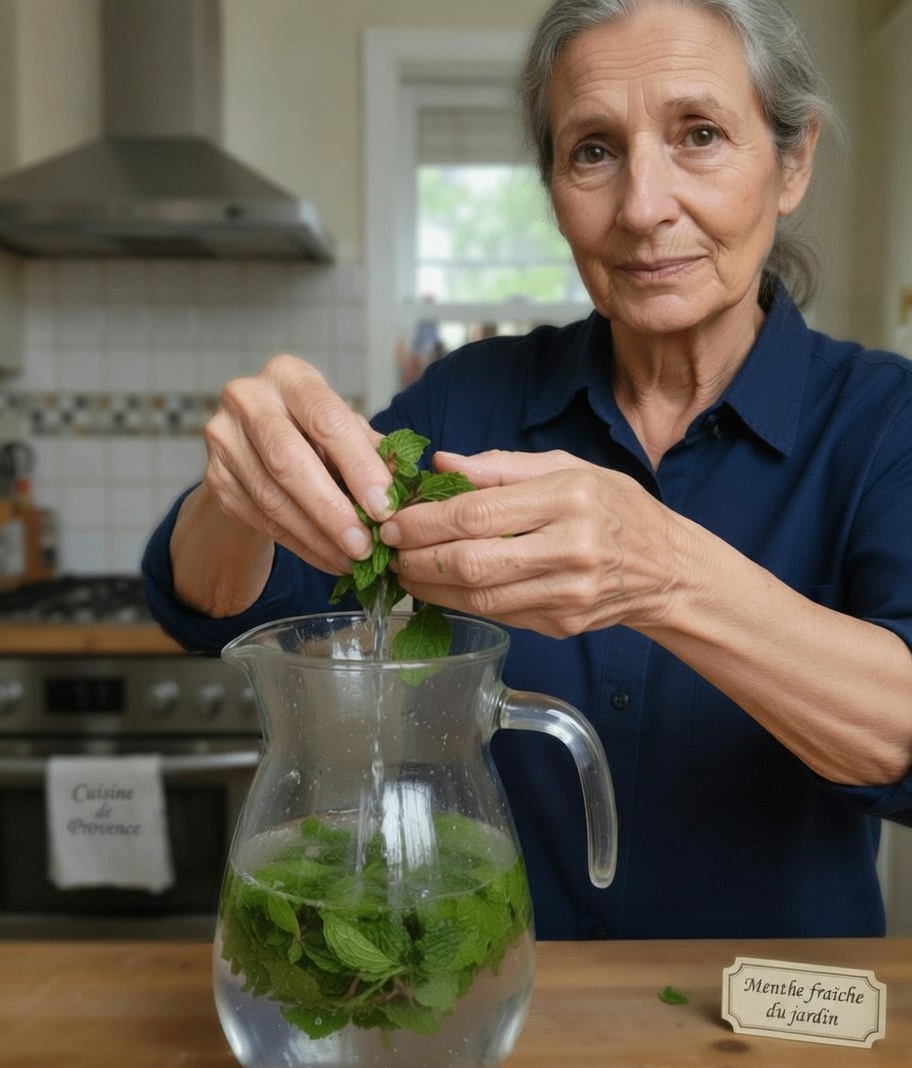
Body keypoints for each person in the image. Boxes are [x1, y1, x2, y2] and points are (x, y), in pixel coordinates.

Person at [143, 0, 912, 940]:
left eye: (700, 135)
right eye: (594, 151)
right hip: (497, 997)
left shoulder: (886, 422)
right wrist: (238, 493)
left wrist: (664, 572)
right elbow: (226, 606)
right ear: (553, 187)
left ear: (792, 163)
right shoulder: (464, 402)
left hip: (779, 1009)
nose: (642, 207)